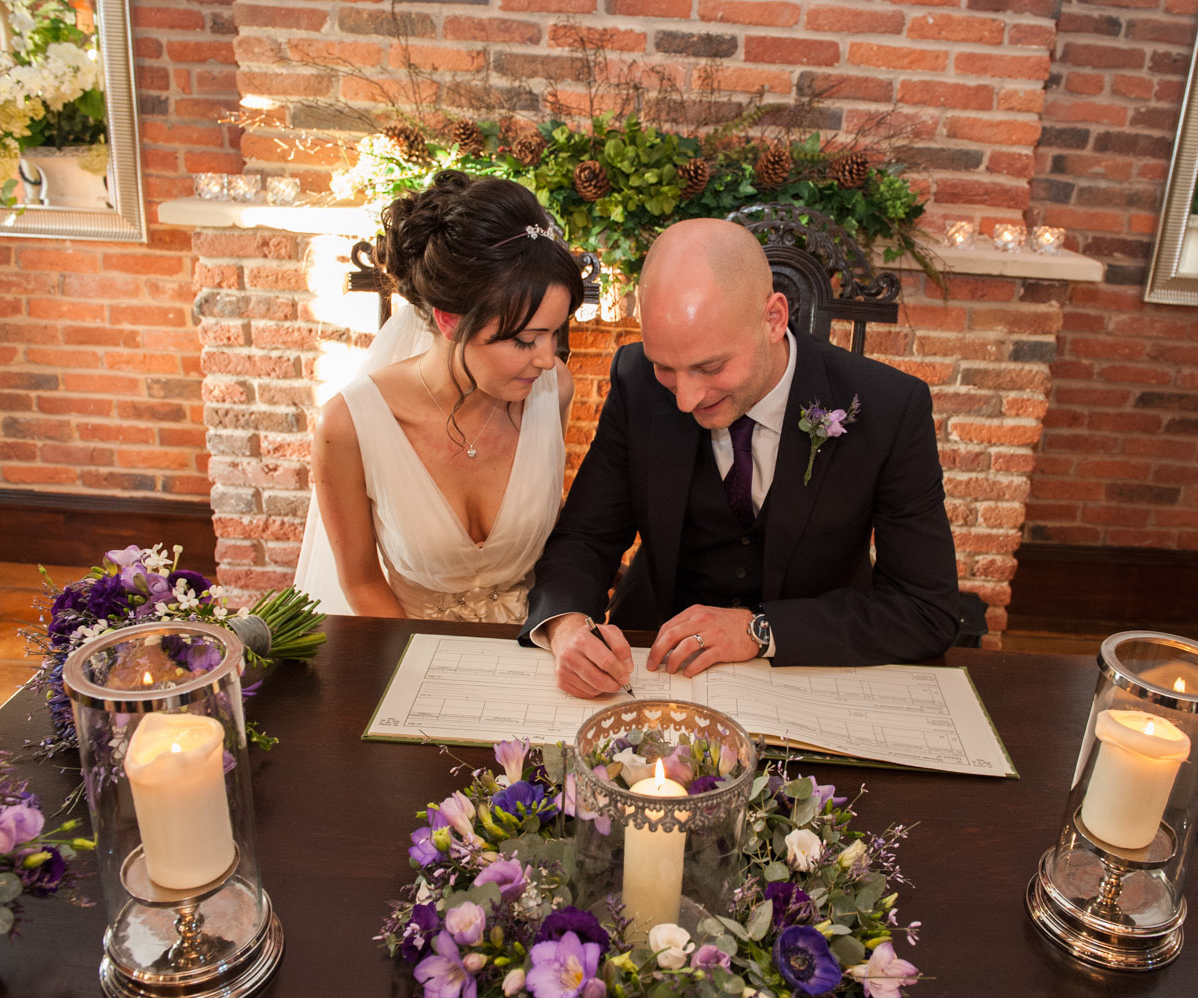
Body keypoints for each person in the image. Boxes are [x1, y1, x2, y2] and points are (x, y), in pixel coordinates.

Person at [519, 217, 960, 697]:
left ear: (773, 318)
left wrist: (761, 631)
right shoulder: (636, 380)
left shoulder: (890, 407)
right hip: (651, 666)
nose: (686, 399)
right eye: (666, 366)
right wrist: (565, 627)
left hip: (810, 674)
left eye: (710, 367)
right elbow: (586, 537)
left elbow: (924, 609)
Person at [294, 170, 585, 621]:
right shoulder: (348, 426)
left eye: (555, 333)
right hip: (412, 652)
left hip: (536, 648)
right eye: (526, 340)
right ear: (450, 321)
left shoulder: (554, 390)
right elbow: (362, 583)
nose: (548, 359)